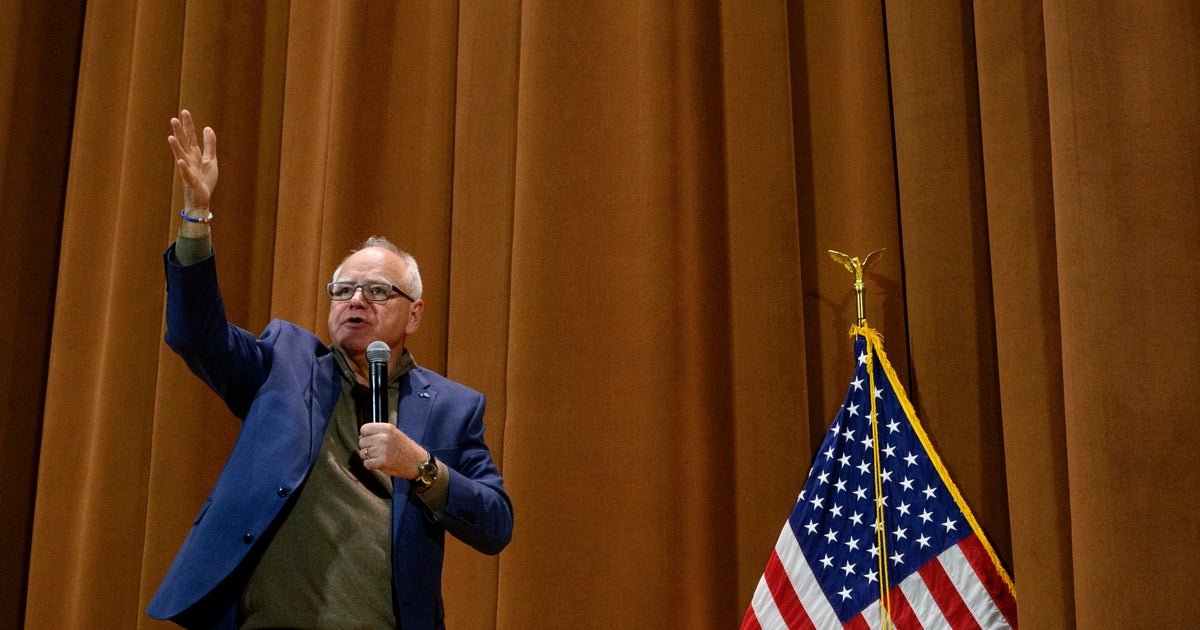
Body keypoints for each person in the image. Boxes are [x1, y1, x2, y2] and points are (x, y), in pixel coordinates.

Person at [146, 110, 513, 629]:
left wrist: (421, 467)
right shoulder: (285, 363)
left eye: (377, 291)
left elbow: (495, 523)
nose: (356, 300)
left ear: (414, 313)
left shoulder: (454, 407)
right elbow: (195, 336)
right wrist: (196, 218)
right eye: (343, 290)